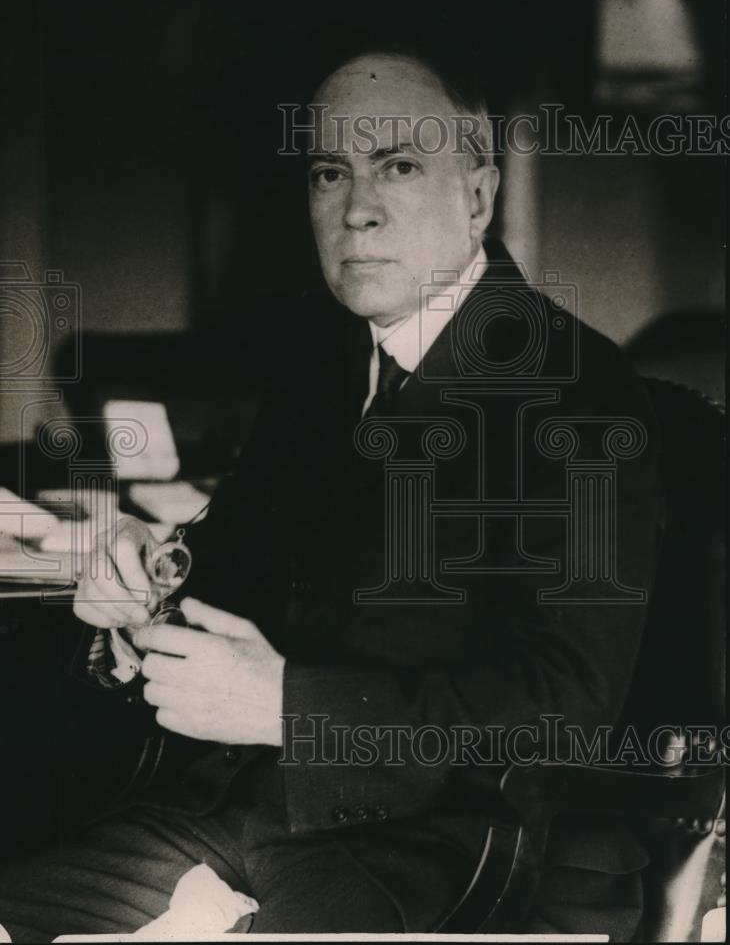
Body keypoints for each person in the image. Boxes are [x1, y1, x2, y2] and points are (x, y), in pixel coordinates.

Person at [0, 48, 664, 939]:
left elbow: (570, 701)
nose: (357, 210)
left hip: (434, 843)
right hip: (228, 812)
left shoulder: (580, 391)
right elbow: (223, 576)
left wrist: (289, 710)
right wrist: (139, 594)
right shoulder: (321, 369)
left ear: (478, 195)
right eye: (329, 173)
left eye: (398, 165)